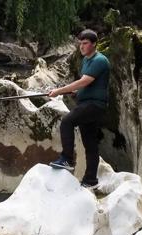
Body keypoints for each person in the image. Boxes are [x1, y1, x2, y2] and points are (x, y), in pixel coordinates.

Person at [48, 29, 110, 189]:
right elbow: (88, 84)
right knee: (90, 143)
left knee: (67, 122)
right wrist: (76, 92)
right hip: (87, 104)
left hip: (94, 105)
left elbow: (84, 81)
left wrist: (59, 91)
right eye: (80, 43)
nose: (81, 47)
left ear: (94, 44)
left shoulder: (99, 60)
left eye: (85, 43)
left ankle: (67, 159)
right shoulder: (86, 61)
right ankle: (91, 181)